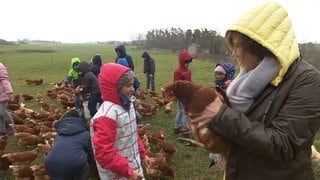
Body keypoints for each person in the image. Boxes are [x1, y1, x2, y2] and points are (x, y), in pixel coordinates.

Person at [190, 1, 320, 180]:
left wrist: (222, 116)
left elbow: (284, 145)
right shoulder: (248, 79)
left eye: (237, 46)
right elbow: (240, 130)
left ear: (259, 46)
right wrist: (208, 124)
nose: (234, 53)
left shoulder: (306, 80)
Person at [90, 63, 151, 179]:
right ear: (115, 87)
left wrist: (143, 155)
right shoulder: (106, 116)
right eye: (129, 86)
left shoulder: (128, 105)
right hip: (117, 174)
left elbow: (132, 134)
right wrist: (129, 172)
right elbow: (104, 155)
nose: (132, 89)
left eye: (132, 85)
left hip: (133, 167)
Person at [45, 109, 94, 180]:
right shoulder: (85, 134)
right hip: (75, 163)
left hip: (51, 162)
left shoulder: (59, 134)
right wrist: (92, 161)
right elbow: (90, 151)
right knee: (84, 168)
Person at [173, 50, 193, 136]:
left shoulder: (188, 70)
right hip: (182, 96)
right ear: (182, 61)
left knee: (181, 112)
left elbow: (190, 81)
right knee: (185, 112)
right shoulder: (177, 72)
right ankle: (184, 130)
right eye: (186, 61)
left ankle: (177, 127)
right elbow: (177, 85)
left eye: (189, 61)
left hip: (187, 95)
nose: (188, 63)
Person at [0, 63, 14, 135]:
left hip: (3, 95)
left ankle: (12, 127)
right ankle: (2, 130)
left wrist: (9, 92)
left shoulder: (0, 67)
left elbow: (5, 81)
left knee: (3, 112)